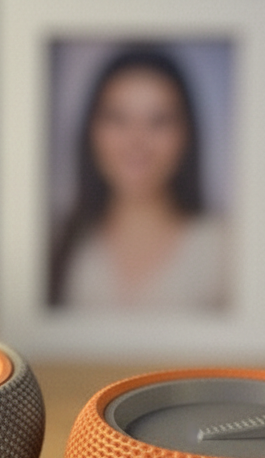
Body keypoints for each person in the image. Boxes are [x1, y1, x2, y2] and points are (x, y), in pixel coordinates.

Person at [49, 47, 228, 310]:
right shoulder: (57, 245)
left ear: (186, 134)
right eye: (118, 119)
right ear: (91, 131)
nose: (136, 141)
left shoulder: (224, 250)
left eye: (158, 121)